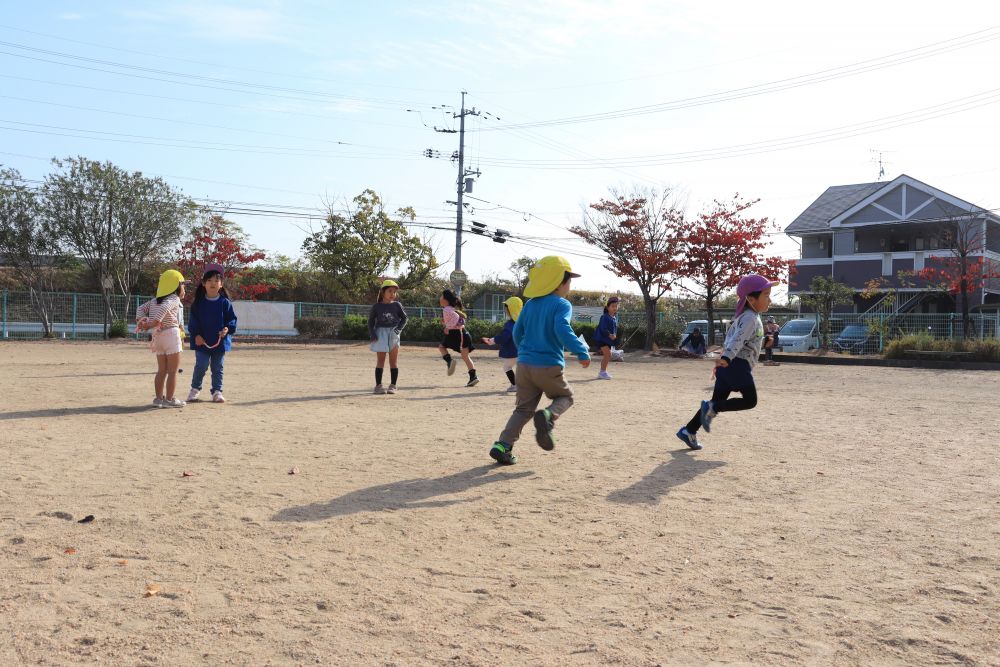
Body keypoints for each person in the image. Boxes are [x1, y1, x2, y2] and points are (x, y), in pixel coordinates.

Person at [489, 256, 591, 465]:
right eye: (569, 281)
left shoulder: (530, 304)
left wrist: (524, 351)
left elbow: (518, 331)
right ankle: (548, 416)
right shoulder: (562, 304)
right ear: (559, 282)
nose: (569, 286)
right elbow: (562, 328)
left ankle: (502, 445)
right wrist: (581, 350)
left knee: (523, 409)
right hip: (548, 365)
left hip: (524, 366)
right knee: (566, 397)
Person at [676, 274, 779, 450]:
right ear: (751, 299)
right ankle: (708, 411)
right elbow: (737, 340)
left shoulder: (749, 316)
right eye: (766, 295)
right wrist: (726, 358)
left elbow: (745, 341)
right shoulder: (749, 318)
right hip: (736, 365)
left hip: (729, 365)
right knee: (749, 401)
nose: (770, 300)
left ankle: (689, 430)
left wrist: (765, 341)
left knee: (714, 403)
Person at [136, 269, 189, 408]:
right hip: (171, 334)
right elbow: (165, 308)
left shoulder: (154, 301)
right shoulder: (174, 299)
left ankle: (158, 399)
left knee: (161, 370)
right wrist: (154, 322)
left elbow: (140, 308)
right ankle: (170, 400)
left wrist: (141, 321)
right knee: (173, 371)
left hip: (157, 336)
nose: (184, 288)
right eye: (183, 285)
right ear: (175, 285)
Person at [185, 264, 238, 403]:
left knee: (217, 367)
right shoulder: (198, 303)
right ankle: (195, 389)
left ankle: (217, 391)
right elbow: (193, 322)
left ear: (221, 284)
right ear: (203, 283)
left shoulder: (225, 303)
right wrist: (196, 335)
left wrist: (227, 329)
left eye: (216, 280)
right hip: (202, 342)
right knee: (201, 365)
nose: (213, 283)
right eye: (209, 280)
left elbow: (231, 319)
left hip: (220, 342)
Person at [368, 279, 408, 394]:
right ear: (383, 292)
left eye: (394, 292)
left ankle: (393, 385)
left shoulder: (397, 305)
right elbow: (370, 321)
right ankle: (378, 386)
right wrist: (372, 333)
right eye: (390, 291)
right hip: (380, 333)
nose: (392, 294)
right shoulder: (377, 306)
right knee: (380, 361)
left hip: (394, 333)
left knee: (393, 361)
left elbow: (404, 318)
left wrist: (398, 329)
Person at [481, 296, 523, 393]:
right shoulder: (522, 323)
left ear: (511, 309)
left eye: (506, 307)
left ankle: (515, 385)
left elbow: (504, 337)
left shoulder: (510, 324)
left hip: (512, 351)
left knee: (507, 367)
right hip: (522, 351)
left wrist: (491, 340)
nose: (504, 310)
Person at [438, 289, 479, 387]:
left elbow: (457, 319)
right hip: (464, 334)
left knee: (441, 347)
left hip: (456, 334)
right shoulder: (451, 309)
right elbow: (458, 318)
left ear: (445, 299)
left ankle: (450, 361)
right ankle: (473, 377)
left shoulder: (446, 309)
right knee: (465, 357)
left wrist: (448, 327)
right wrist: (446, 323)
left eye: (441, 296)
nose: (440, 298)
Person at [593, 296, 620, 379]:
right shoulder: (604, 317)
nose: (614, 308)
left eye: (616, 306)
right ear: (608, 307)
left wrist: (614, 337)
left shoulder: (614, 318)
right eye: (612, 306)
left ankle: (602, 372)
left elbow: (614, 330)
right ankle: (602, 372)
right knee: (608, 354)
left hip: (606, 339)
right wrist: (610, 335)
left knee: (608, 355)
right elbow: (602, 328)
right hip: (601, 338)